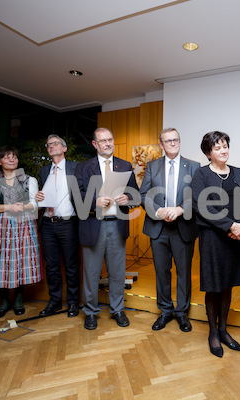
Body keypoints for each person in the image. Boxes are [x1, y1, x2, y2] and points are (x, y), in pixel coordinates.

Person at [191, 131, 240, 358]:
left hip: (236, 237)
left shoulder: (238, 172)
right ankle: (213, 332)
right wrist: (230, 226)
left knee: (228, 284)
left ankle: (224, 329)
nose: (223, 150)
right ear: (208, 153)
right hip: (213, 238)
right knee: (214, 285)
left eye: (225, 145)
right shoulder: (201, 174)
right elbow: (201, 205)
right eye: (217, 147)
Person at [75, 127, 139, 330]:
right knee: (91, 273)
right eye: (103, 141)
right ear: (95, 144)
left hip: (117, 226)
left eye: (110, 139)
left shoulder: (124, 165)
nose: (108, 143)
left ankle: (118, 309)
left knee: (117, 272)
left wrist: (127, 198)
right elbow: (76, 198)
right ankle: (91, 312)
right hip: (93, 225)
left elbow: (136, 196)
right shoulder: (83, 168)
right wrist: (95, 201)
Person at [140, 128, 200, 332]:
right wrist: (157, 212)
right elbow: (143, 196)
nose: (173, 143)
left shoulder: (193, 166)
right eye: (168, 140)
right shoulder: (152, 166)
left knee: (184, 272)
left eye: (176, 139)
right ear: (161, 145)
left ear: (180, 142)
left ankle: (182, 313)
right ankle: (165, 311)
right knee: (161, 272)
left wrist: (181, 209)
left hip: (184, 228)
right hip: (158, 229)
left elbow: (198, 197)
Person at [0, 146, 41, 318]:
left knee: (21, 260)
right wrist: (9, 207)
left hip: (23, 224)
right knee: (0, 262)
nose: (12, 159)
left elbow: (34, 205)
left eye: (14, 157)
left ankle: (19, 300)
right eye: (7, 157)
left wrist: (22, 206)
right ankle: (4, 301)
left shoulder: (29, 180)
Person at [34, 135, 80, 318]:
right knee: (51, 266)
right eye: (49, 144)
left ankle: (73, 303)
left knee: (71, 265)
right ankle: (54, 301)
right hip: (47, 224)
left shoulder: (75, 168)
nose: (52, 146)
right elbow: (42, 195)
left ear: (64, 148)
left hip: (68, 223)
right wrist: (37, 198)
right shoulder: (44, 170)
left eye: (55, 143)